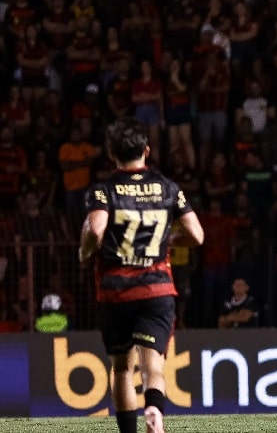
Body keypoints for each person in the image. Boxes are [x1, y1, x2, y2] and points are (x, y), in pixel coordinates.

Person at [79, 117, 204, 433]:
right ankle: (154, 411)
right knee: (154, 368)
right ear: (146, 151)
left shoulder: (104, 191)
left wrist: (84, 251)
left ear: (112, 154)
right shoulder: (167, 187)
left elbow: (95, 229)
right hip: (157, 290)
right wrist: (171, 239)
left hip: (116, 291)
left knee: (122, 369)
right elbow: (197, 235)